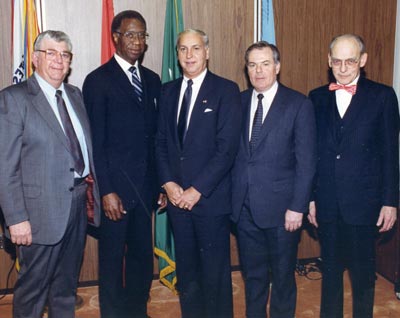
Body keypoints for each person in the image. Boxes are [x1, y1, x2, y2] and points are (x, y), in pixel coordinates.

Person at [0, 30, 100, 318]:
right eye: (51, 53)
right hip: (37, 213)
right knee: (33, 292)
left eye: (64, 54)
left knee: (66, 287)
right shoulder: (14, 99)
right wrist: (16, 218)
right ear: (34, 58)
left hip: (78, 204)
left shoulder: (75, 94)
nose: (59, 60)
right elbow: (5, 167)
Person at [308, 34, 399, 318]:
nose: (343, 68)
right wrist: (311, 199)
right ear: (328, 61)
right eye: (337, 61)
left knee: (362, 277)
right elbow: (313, 154)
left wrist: (389, 201)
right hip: (327, 202)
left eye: (350, 60)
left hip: (365, 202)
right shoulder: (316, 97)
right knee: (331, 274)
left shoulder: (382, 96)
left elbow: (390, 154)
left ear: (363, 60)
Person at [82, 10, 164, 318]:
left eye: (142, 35)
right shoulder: (97, 81)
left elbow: (156, 139)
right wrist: (106, 191)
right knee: (113, 261)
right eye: (130, 34)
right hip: (115, 192)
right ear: (115, 37)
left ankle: (137, 312)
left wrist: (159, 184)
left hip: (145, 191)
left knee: (143, 258)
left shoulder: (153, 80)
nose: (137, 41)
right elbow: (96, 144)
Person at [155, 29, 242, 318]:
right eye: (183, 49)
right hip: (178, 202)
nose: (189, 55)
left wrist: (196, 190)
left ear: (207, 52)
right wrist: (168, 183)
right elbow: (160, 142)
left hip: (210, 201)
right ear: (177, 54)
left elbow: (226, 149)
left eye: (195, 48)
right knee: (188, 275)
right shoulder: (166, 92)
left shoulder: (226, 90)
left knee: (215, 277)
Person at [231, 41, 316, 318]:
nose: (259, 71)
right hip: (244, 210)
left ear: (277, 67)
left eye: (265, 64)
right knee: (253, 279)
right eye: (253, 65)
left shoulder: (298, 104)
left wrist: (297, 207)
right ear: (247, 69)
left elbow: (306, 163)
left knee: (282, 280)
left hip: (283, 213)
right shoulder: (239, 102)